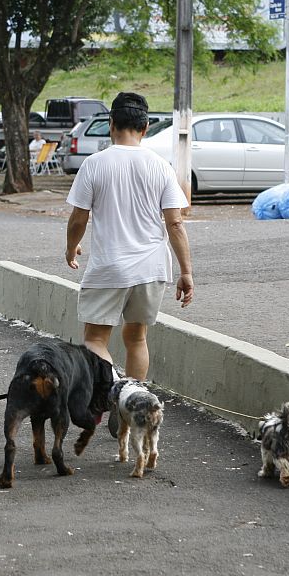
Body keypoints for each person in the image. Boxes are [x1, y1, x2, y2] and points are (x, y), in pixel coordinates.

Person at [65, 91, 194, 382]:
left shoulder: (94, 164)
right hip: (151, 268)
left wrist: (71, 248)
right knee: (137, 338)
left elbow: (78, 218)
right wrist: (186, 272)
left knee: (95, 339)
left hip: (109, 267)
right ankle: (133, 398)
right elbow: (175, 224)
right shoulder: (161, 166)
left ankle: (109, 393)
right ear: (145, 127)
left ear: (111, 123)